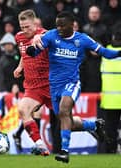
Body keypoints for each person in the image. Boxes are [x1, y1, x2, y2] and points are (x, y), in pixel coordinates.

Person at [26, 11, 121, 163]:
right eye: (57, 25)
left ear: (72, 25)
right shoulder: (51, 35)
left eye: (62, 26)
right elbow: (36, 50)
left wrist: (119, 53)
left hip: (72, 83)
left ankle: (64, 151)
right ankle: (94, 125)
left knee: (64, 110)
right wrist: (32, 50)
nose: (59, 28)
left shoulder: (82, 39)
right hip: (54, 86)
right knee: (66, 120)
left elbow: (104, 52)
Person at [13, 9, 52, 156]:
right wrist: (20, 66)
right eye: (22, 27)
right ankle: (40, 145)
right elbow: (24, 53)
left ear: (34, 23)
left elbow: (54, 36)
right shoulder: (19, 37)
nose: (25, 30)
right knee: (23, 110)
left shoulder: (45, 35)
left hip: (49, 85)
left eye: (27, 27)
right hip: (32, 87)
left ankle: (90, 125)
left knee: (67, 119)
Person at [100, 22, 121, 153]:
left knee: (110, 129)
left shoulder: (105, 51)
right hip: (115, 99)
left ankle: (110, 151)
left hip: (109, 100)